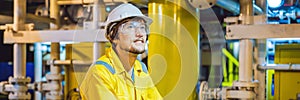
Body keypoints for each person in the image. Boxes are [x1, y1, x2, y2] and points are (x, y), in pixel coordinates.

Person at [80, 3, 162, 100]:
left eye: (142, 27)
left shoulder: (140, 69)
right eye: (130, 27)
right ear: (114, 36)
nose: (140, 33)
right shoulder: (100, 73)